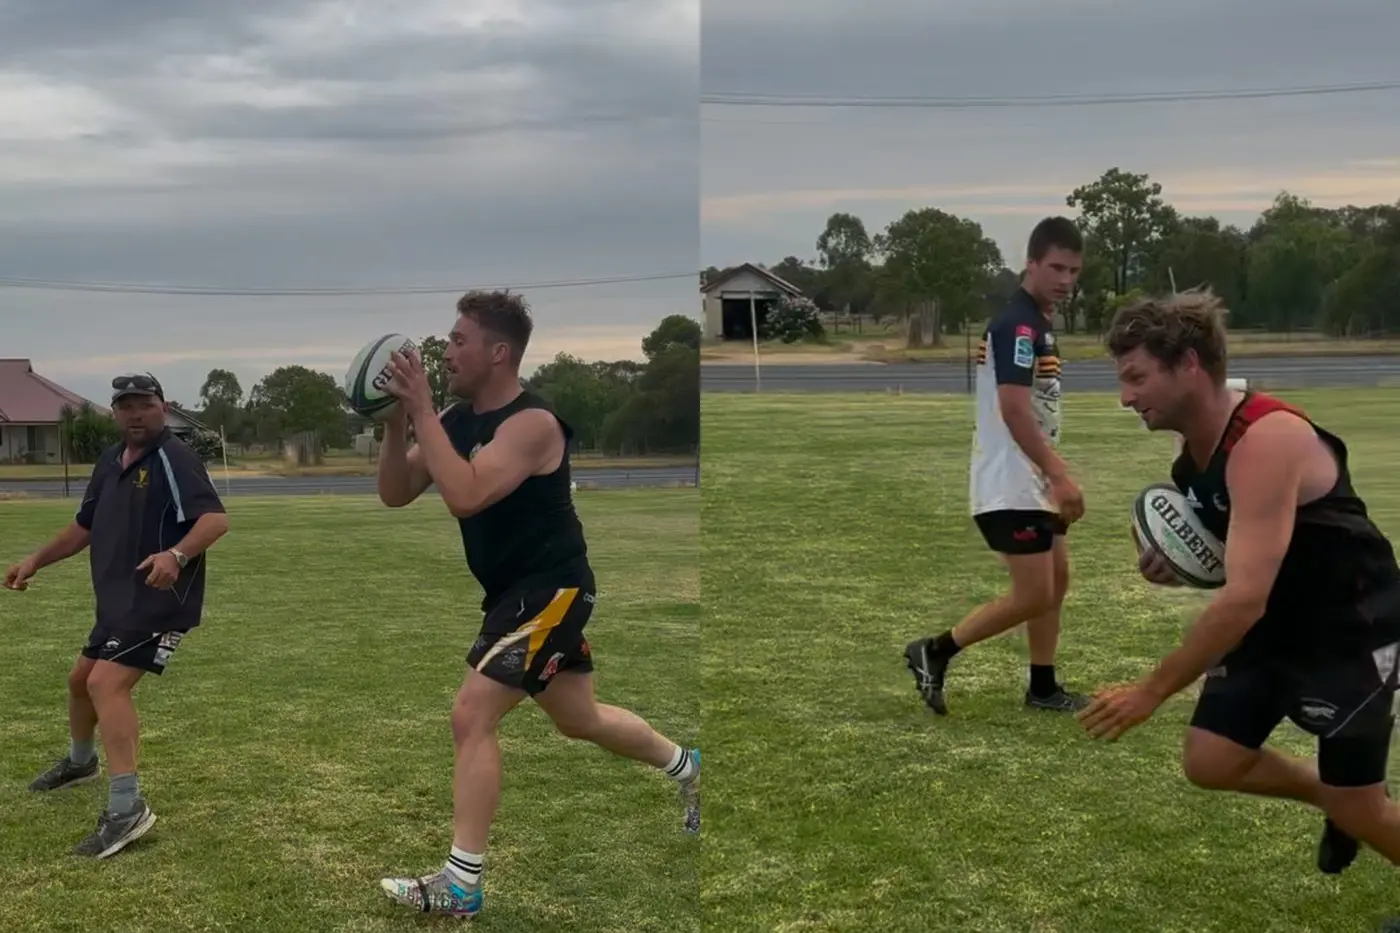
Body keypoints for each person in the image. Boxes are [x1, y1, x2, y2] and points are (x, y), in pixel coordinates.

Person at [374, 290, 700, 918]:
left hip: (552, 590)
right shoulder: (456, 418)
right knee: (581, 719)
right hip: (512, 595)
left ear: (499, 352)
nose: (446, 351)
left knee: (472, 715)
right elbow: (395, 491)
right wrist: (398, 422)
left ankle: (461, 885)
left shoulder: (532, 423)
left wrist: (422, 412)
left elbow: (467, 494)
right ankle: (687, 767)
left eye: (459, 340)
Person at [1080, 288, 1400, 875]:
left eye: (1136, 377)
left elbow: (1245, 596)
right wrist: (1183, 565)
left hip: (1350, 629)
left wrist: (1150, 690)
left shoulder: (1265, 439)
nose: (1125, 398)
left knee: (1366, 808)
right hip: (1276, 620)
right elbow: (1247, 561)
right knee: (1211, 760)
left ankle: (1350, 809)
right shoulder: (1193, 453)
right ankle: (1338, 804)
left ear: (1190, 365)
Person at [3, 373, 228, 858]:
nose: (135, 413)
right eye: (125, 405)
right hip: (117, 603)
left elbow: (215, 519)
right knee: (81, 679)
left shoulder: (175, 458)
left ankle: (127, 808)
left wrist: (176, 555)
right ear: (115, 412)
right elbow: (83, 525)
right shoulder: (110, 462)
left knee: (107, 683)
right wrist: (33, 560)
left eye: (144, 404)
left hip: (157, 603)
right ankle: (82, 763)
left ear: (163, 407)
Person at [905, 216, 1089, 715]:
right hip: (1011, 483)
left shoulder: (1038, 322)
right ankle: (935, 650)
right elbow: (1012, 409)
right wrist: (1057, 474)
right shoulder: (1018, 325)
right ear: (1030, 263)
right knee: (1034, 594)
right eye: (1056, 267)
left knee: (1057, 581)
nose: (1066, 280)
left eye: (1074, 271)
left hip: (1032, 480)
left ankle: (1043, 687)